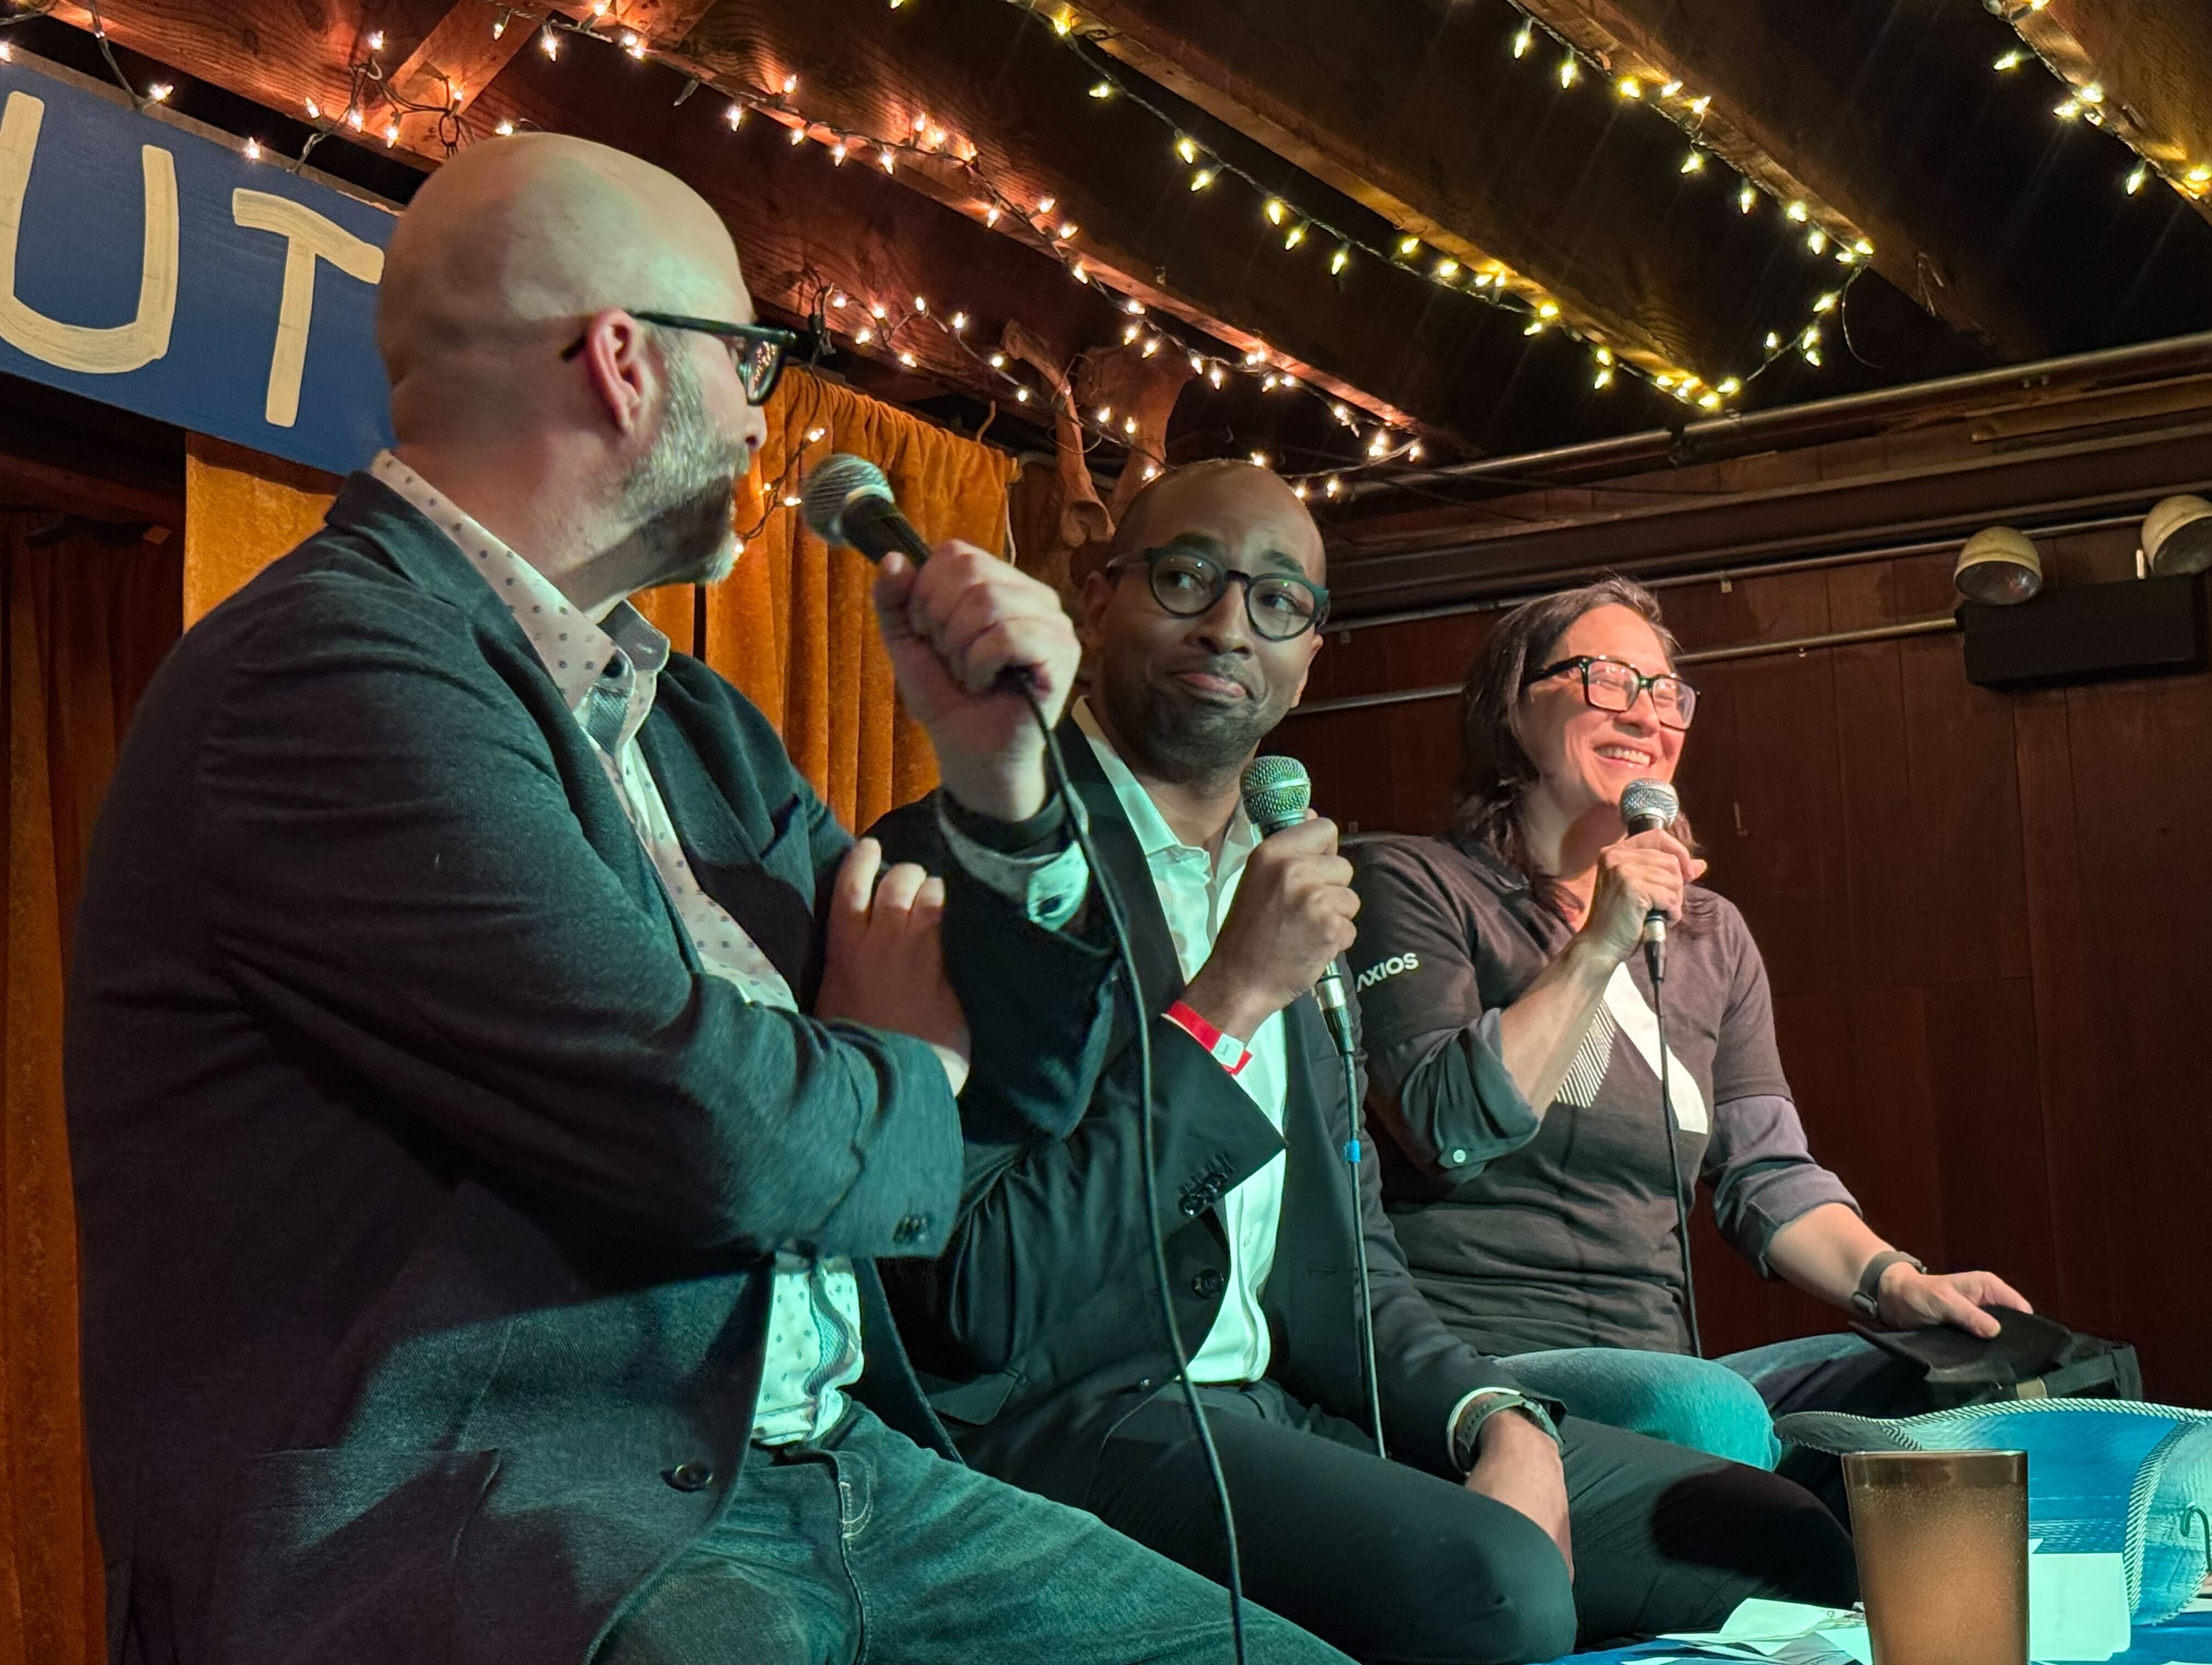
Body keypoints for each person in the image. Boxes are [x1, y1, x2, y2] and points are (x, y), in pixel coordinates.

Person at [64, 135, 1352, 1665]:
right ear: (623, 363)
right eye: (748, 358)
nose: (761, 412)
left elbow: (1017, 1095)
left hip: (830, 1477)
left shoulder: (696, 723)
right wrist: (907, 1059)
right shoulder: (333, 674)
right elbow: (709, 1123)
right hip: (507, 1516)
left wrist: (999, 790)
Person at [871, 463, 1858, 1665]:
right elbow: (981, 1297)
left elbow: (1351, 1257)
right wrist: (1231, 998)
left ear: (1313, 653)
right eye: (1186, 578)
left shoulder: (1287, 876)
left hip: (1283, 1401)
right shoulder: (972, 866)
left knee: (1774, 1537)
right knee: (1493, 1587)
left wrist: (1494, 1414)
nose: (1232, 624)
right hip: (1080, 1413)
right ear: (1095, 596)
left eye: (1280, 602)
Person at [1345, 575, 2034, 1487]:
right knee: (1706, 1411)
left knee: (1981, 1388)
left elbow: (1765, 1171)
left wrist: (1895, 1281)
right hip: (1483, 1375)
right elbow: (1447, 1124)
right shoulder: (1411, 885)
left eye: (1665, 693)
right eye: (1606, 680)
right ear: (1510, 708)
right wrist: (1597, 946)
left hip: (1667, 1371)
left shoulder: (1710, 933)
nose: (1645, 714)